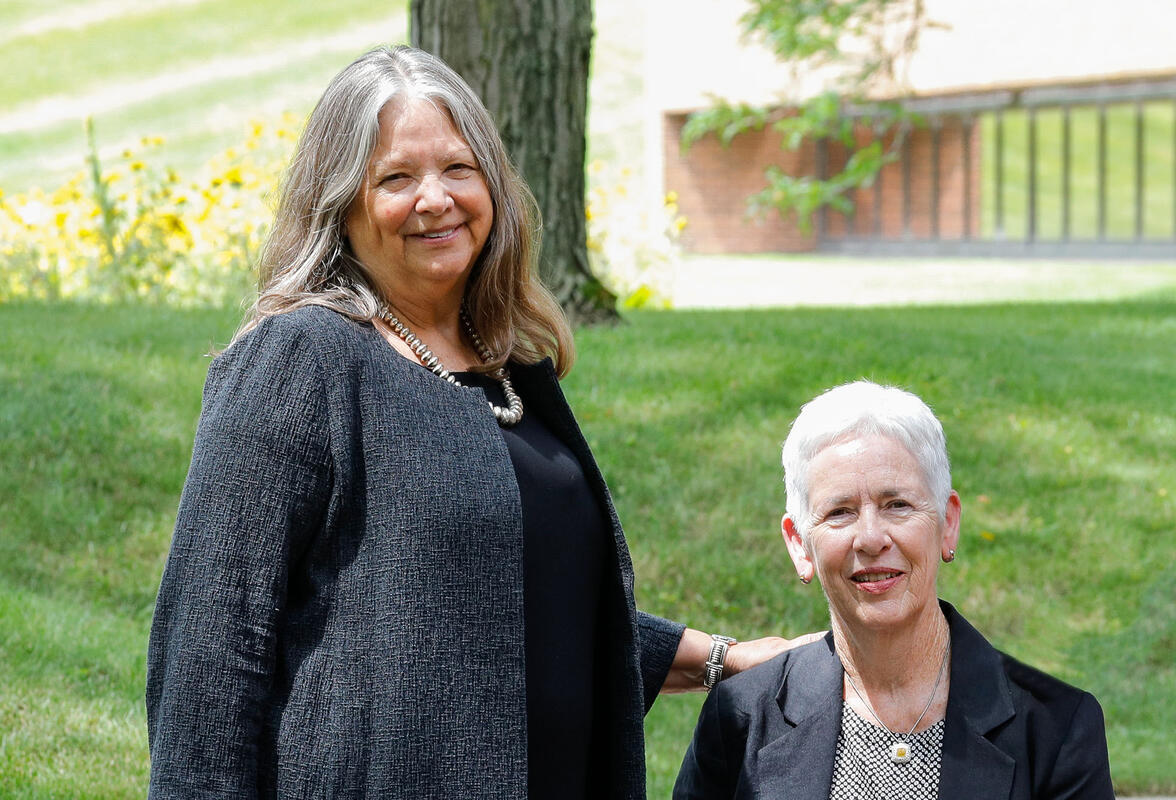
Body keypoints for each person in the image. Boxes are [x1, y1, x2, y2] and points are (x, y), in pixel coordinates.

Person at [145, 45, 800, 800]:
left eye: (458, 168)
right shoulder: (303, 356)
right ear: (340, 203)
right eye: (396, 177)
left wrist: (727, 659)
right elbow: (210, 650)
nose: (436, 198)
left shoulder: (513, 370)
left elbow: (525, 602)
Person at [673, 381, 1115, 799]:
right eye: (840, 512)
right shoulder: (739, 718)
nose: (870, 537)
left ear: (948, 524)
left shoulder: (1058, 728)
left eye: (897, 505)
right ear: (799, 544)